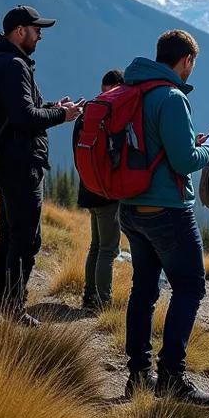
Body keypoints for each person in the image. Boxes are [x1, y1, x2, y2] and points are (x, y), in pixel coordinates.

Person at [120, 29, 209, 406]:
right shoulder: (170, 97)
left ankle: (138, 375)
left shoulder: (135, 89)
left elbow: (157, 147)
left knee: (144, 290)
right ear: (185, 61)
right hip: (166, 210)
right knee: (190, 286)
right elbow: (184, 161)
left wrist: (194, 143)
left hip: (131, 207)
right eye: (192, 64)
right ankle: (171, 376)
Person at [0, 5, 82, 325]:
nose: (40, 36)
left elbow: (15, 112)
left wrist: (52, 107)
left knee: (9, 236)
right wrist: (62, 115)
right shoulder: (13, 66)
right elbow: (24, 118)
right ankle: (12, 309)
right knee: (26, 239)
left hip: (2, 162)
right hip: (20, 163)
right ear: (20, 31)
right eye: (37, 30)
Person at [77, 68, 125, 313]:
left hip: (88, 189)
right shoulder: (112, 116)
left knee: (96, 246)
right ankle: (102, 302)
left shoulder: (87, 114)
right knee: (108, 249)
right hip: (107, 193)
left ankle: (88, 295)